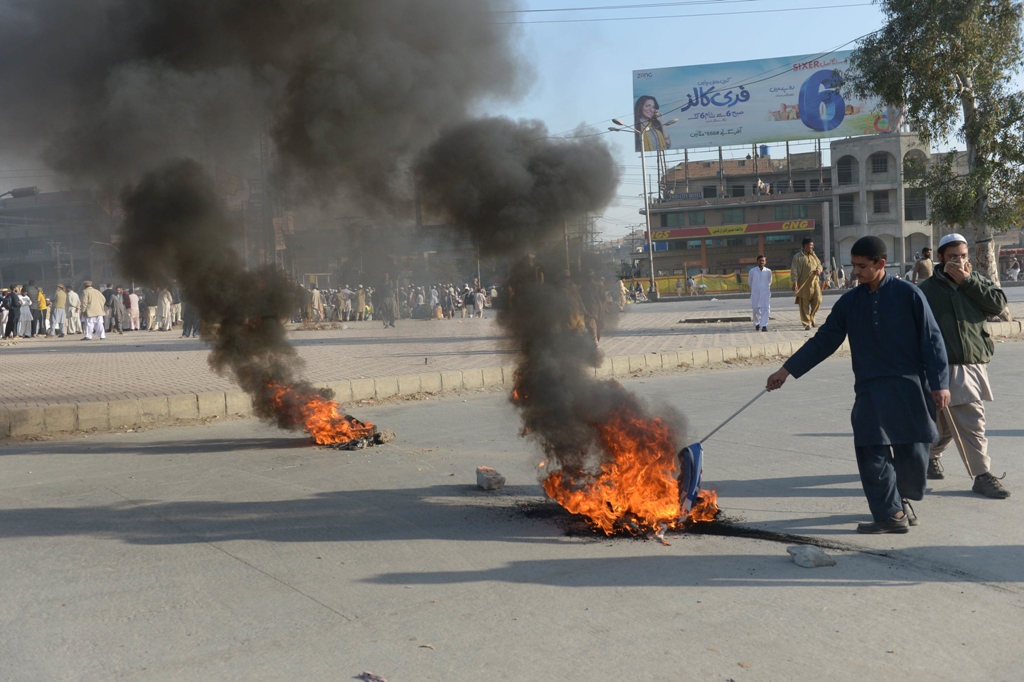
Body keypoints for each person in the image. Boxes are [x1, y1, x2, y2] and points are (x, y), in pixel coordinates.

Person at [766, 236, 950, 534]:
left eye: (862, 266)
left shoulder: (909, 294)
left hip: (910, 387)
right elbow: (824, 340)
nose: (856, 272)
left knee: (913, 454)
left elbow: (932, 340)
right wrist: (786, 370)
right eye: (853, 266)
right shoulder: (849, 302)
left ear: (880, 263)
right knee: (870, 451)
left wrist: (940, 384)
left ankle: (902, 500)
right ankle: (890, 514)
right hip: (870, 390)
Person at [918, 233, 1010, 499]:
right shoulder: (926, 290)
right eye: (953, 257)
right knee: (970, 421)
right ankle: (982, 475)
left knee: (947, 425)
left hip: (973, 363)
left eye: (963, 256)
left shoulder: (976, 281)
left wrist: (968, 282)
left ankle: (929, 456)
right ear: (940, 258)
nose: (959, 262)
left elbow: (998, 305)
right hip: (941, 366)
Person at [791, 237, 823, 329]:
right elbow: (794, 270)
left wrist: (819, 270)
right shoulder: (797, 257)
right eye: (810, 245)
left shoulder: (814, 255)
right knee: (803, 305)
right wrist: (795, 282)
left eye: (812, 245)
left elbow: (819, 265)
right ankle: (806, 323)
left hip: (815, 283)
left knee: (818, 300)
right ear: (805, 246)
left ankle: (811, 317)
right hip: (803, 284)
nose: (812, 247)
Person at [748, 255, 772, 332]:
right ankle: (757, 323)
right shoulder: (752, 271)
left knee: (766, 309)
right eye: (760, 260)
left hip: (765, 293)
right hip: (755, 293)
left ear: (765, 262)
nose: (761, 262)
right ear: (757, 261)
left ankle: (764, 325)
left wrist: (763, 288)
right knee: (756, 310)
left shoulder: (768, 271)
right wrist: (755, 288)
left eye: (763, 261)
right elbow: (750, 281)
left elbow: (769, 282)